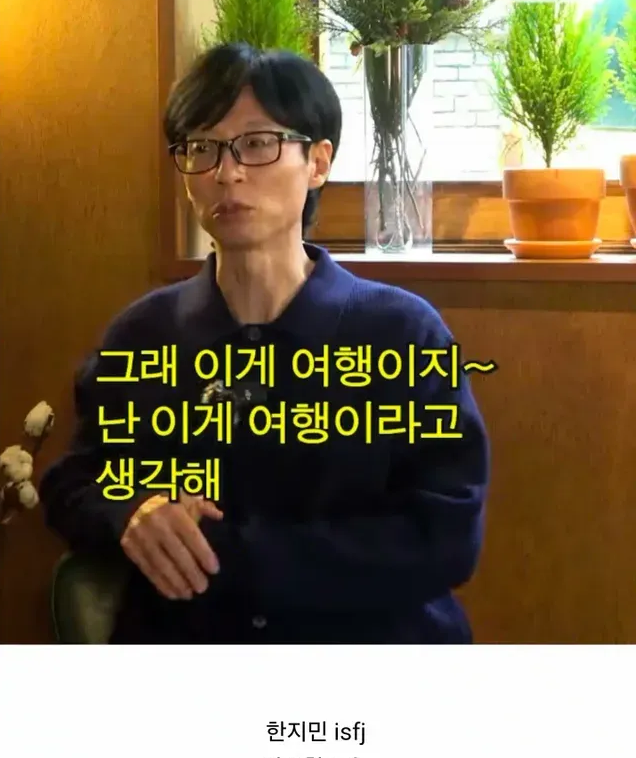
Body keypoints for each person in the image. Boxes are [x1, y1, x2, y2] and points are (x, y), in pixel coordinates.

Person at [40, 41, 490, 644]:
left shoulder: (402, 334)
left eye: (257, 144)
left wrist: (237, 556)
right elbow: (75, 479)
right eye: (201, 148)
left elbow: (447, 533)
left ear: (318, 162)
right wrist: (130, 511)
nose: (226, 172)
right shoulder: (142, 336)